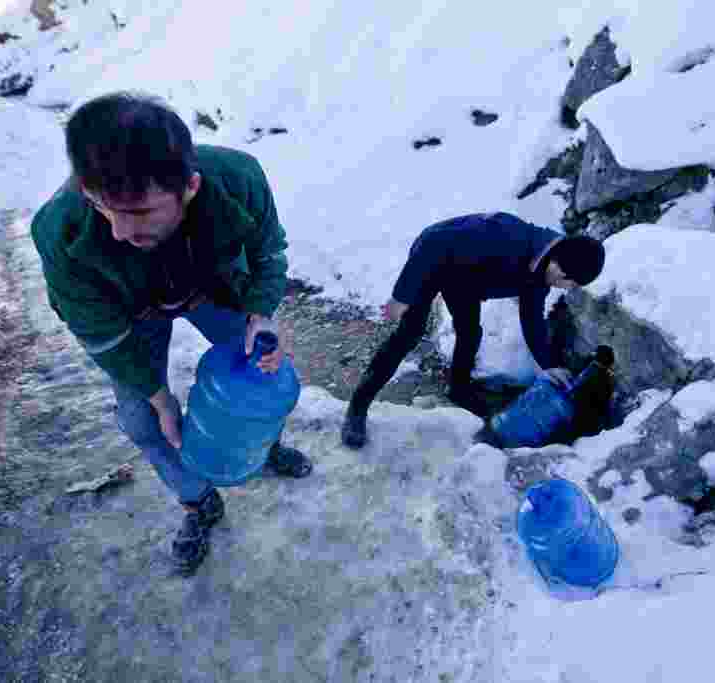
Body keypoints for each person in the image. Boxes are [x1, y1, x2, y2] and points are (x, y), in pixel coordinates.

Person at [32, 92, 312, 575]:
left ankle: (260, 446)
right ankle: (199, 500)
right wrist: (161, 398)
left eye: (140, 213)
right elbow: (99, 333)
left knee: (264, 376)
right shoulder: (59, 231)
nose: (119, 231)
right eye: (103, 206)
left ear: (190, 188)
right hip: (133, 317)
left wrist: (261, 315)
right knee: (143, 422)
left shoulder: (238, 180)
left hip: (210, 290)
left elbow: (268, 251)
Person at [341, 212, 605, 449]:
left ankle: (459, 387)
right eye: (566, 282)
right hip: (433, 260)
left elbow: (532, 319)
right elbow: (434, 242)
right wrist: (402, 296)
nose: (563, 287)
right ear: (558, 266)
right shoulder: (507, 235)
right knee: (408, 334)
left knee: (469, 332)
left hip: (466, 278)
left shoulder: (541, 274)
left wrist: (548, 365)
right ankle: (358, 406)